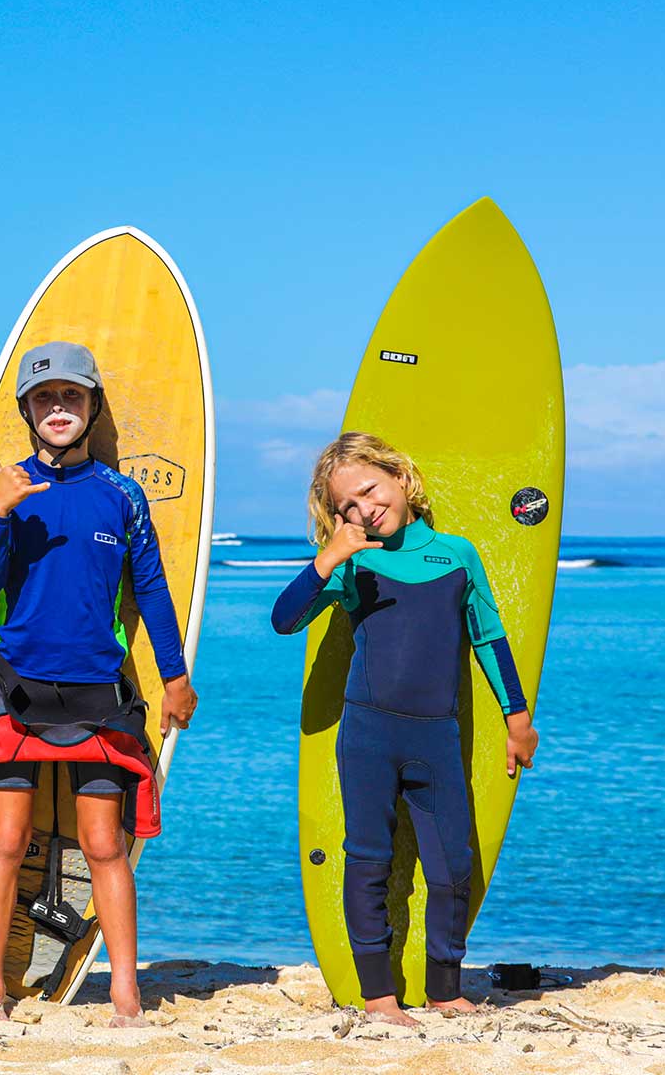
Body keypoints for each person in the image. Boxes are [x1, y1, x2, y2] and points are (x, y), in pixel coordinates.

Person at [0, 341, 198, 1026]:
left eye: (72, 397)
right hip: (17, 688)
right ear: (28, 411)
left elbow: (150, 587)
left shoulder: (121, 495)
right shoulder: (10, 489)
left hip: (98, 692)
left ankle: (124, 992)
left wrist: (174, 677)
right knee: (5, 839)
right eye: (45, 399)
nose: (58, 409)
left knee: (103, 843)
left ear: (91, 408)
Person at [271, 431, 539, 1025]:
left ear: (400, 477)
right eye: (346, 507)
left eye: (369, 490)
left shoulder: (456, 554)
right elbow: (284, 620)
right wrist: (329, 557)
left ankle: (445, 990)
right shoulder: (354, 566)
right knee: (368, 861)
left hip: (436, 736)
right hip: (368, 736)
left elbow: (488, 639)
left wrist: (516, 718)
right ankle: (379, 999)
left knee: (453, 866)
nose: (364, 509)